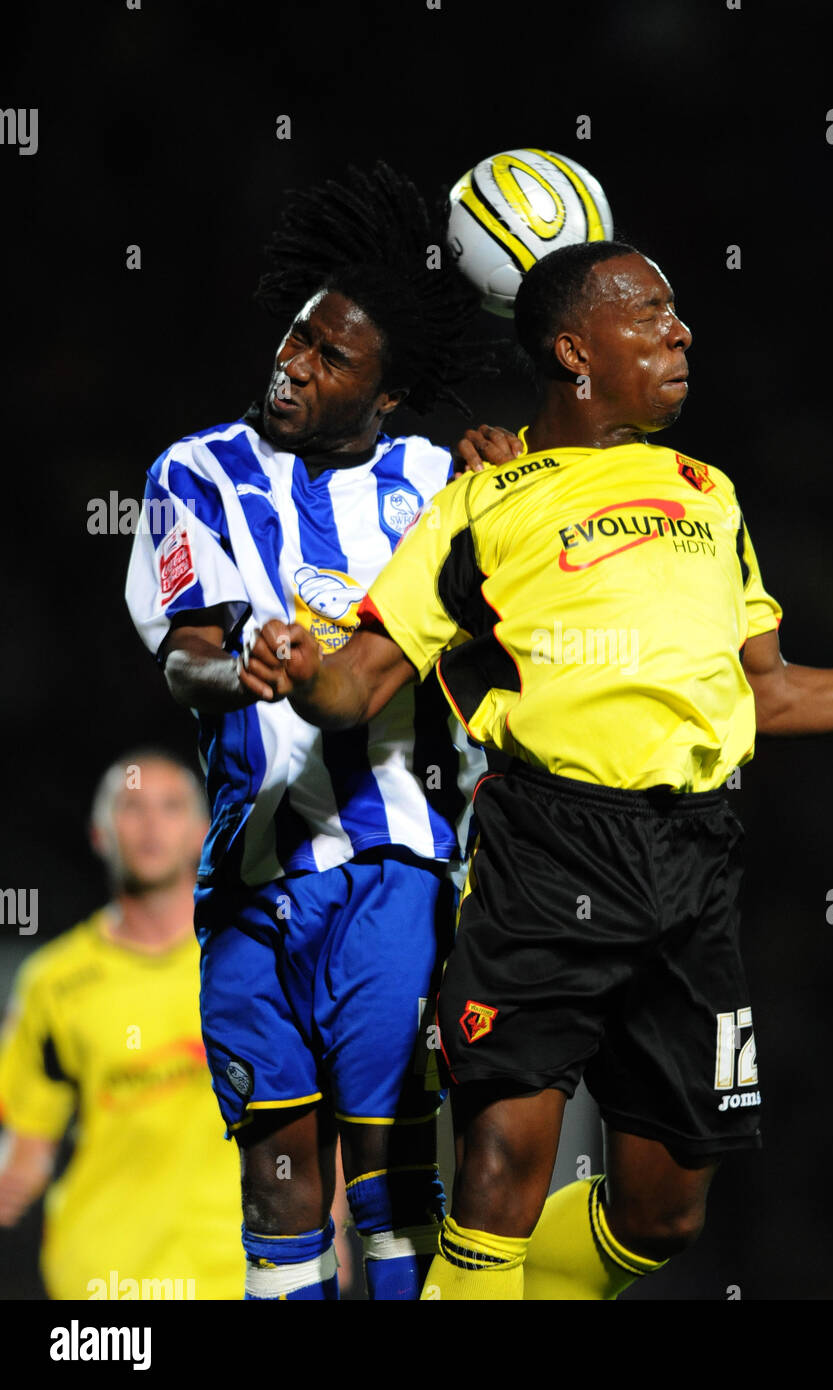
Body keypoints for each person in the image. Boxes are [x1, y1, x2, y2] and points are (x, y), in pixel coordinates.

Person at [240, 239, 833, 1300]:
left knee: (664, 1211)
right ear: (576, 350)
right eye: (651, 312)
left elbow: (771, 695)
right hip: (545, 847)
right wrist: (304, 669)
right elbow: (359, 681)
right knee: (498, 1167)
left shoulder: (705, 493)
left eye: (676, 312)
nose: (681, 331)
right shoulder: (484, 502)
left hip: (693, 863)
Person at [125, 163, 511, 1301]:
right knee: (279, 1179)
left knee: (393, 1178)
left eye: (333, 358)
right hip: (251, 877)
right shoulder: (193, 473)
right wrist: (229, 670)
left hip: (394, 868)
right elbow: (183, 646)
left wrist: (518, 486)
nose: (294, 363)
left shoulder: (440, 484)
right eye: (299, 336)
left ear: (386, 394)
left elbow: (507, 646)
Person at [0, 751, 241, 1299]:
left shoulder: (251, 961)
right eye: (131, 807)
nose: (151, 824)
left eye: (170, 807)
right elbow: (28, 1142)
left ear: (203, 833)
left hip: (240, 1272)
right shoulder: (53, 983)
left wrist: (330, 1224)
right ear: (99, 833)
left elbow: (314, 1107)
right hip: (104, 1281)